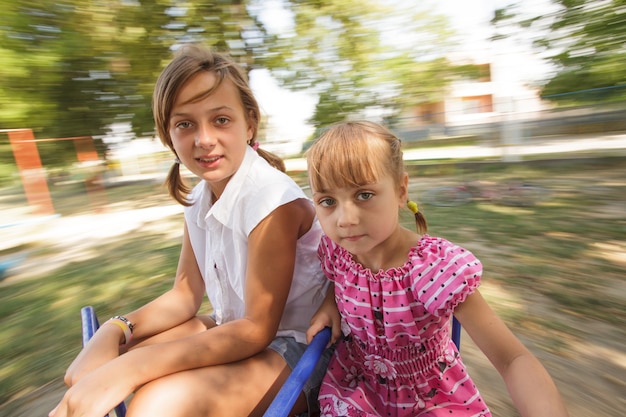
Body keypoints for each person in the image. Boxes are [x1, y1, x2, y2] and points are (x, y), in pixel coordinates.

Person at [49, 44, 330, 417]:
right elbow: (184, 295)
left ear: (249, 123)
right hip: (231, 330)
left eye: (221, 120)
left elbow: (256, 330)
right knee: (108, 367)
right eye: (185, 124)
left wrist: (127, 369)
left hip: (299, 350)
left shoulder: (270, 199)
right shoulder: (201, 198)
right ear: (169, 135)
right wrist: (114, 331)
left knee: (157, 401)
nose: (204, 139)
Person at [304, 121, 569, 417]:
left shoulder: (435, 268)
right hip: (358, 391)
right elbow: (338, 280)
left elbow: (513, 359)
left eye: (364, 195)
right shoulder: (338, 252)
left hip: (431, 399)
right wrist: (331, 304)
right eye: (327, 201)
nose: (345, 219)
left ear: (401, 191)